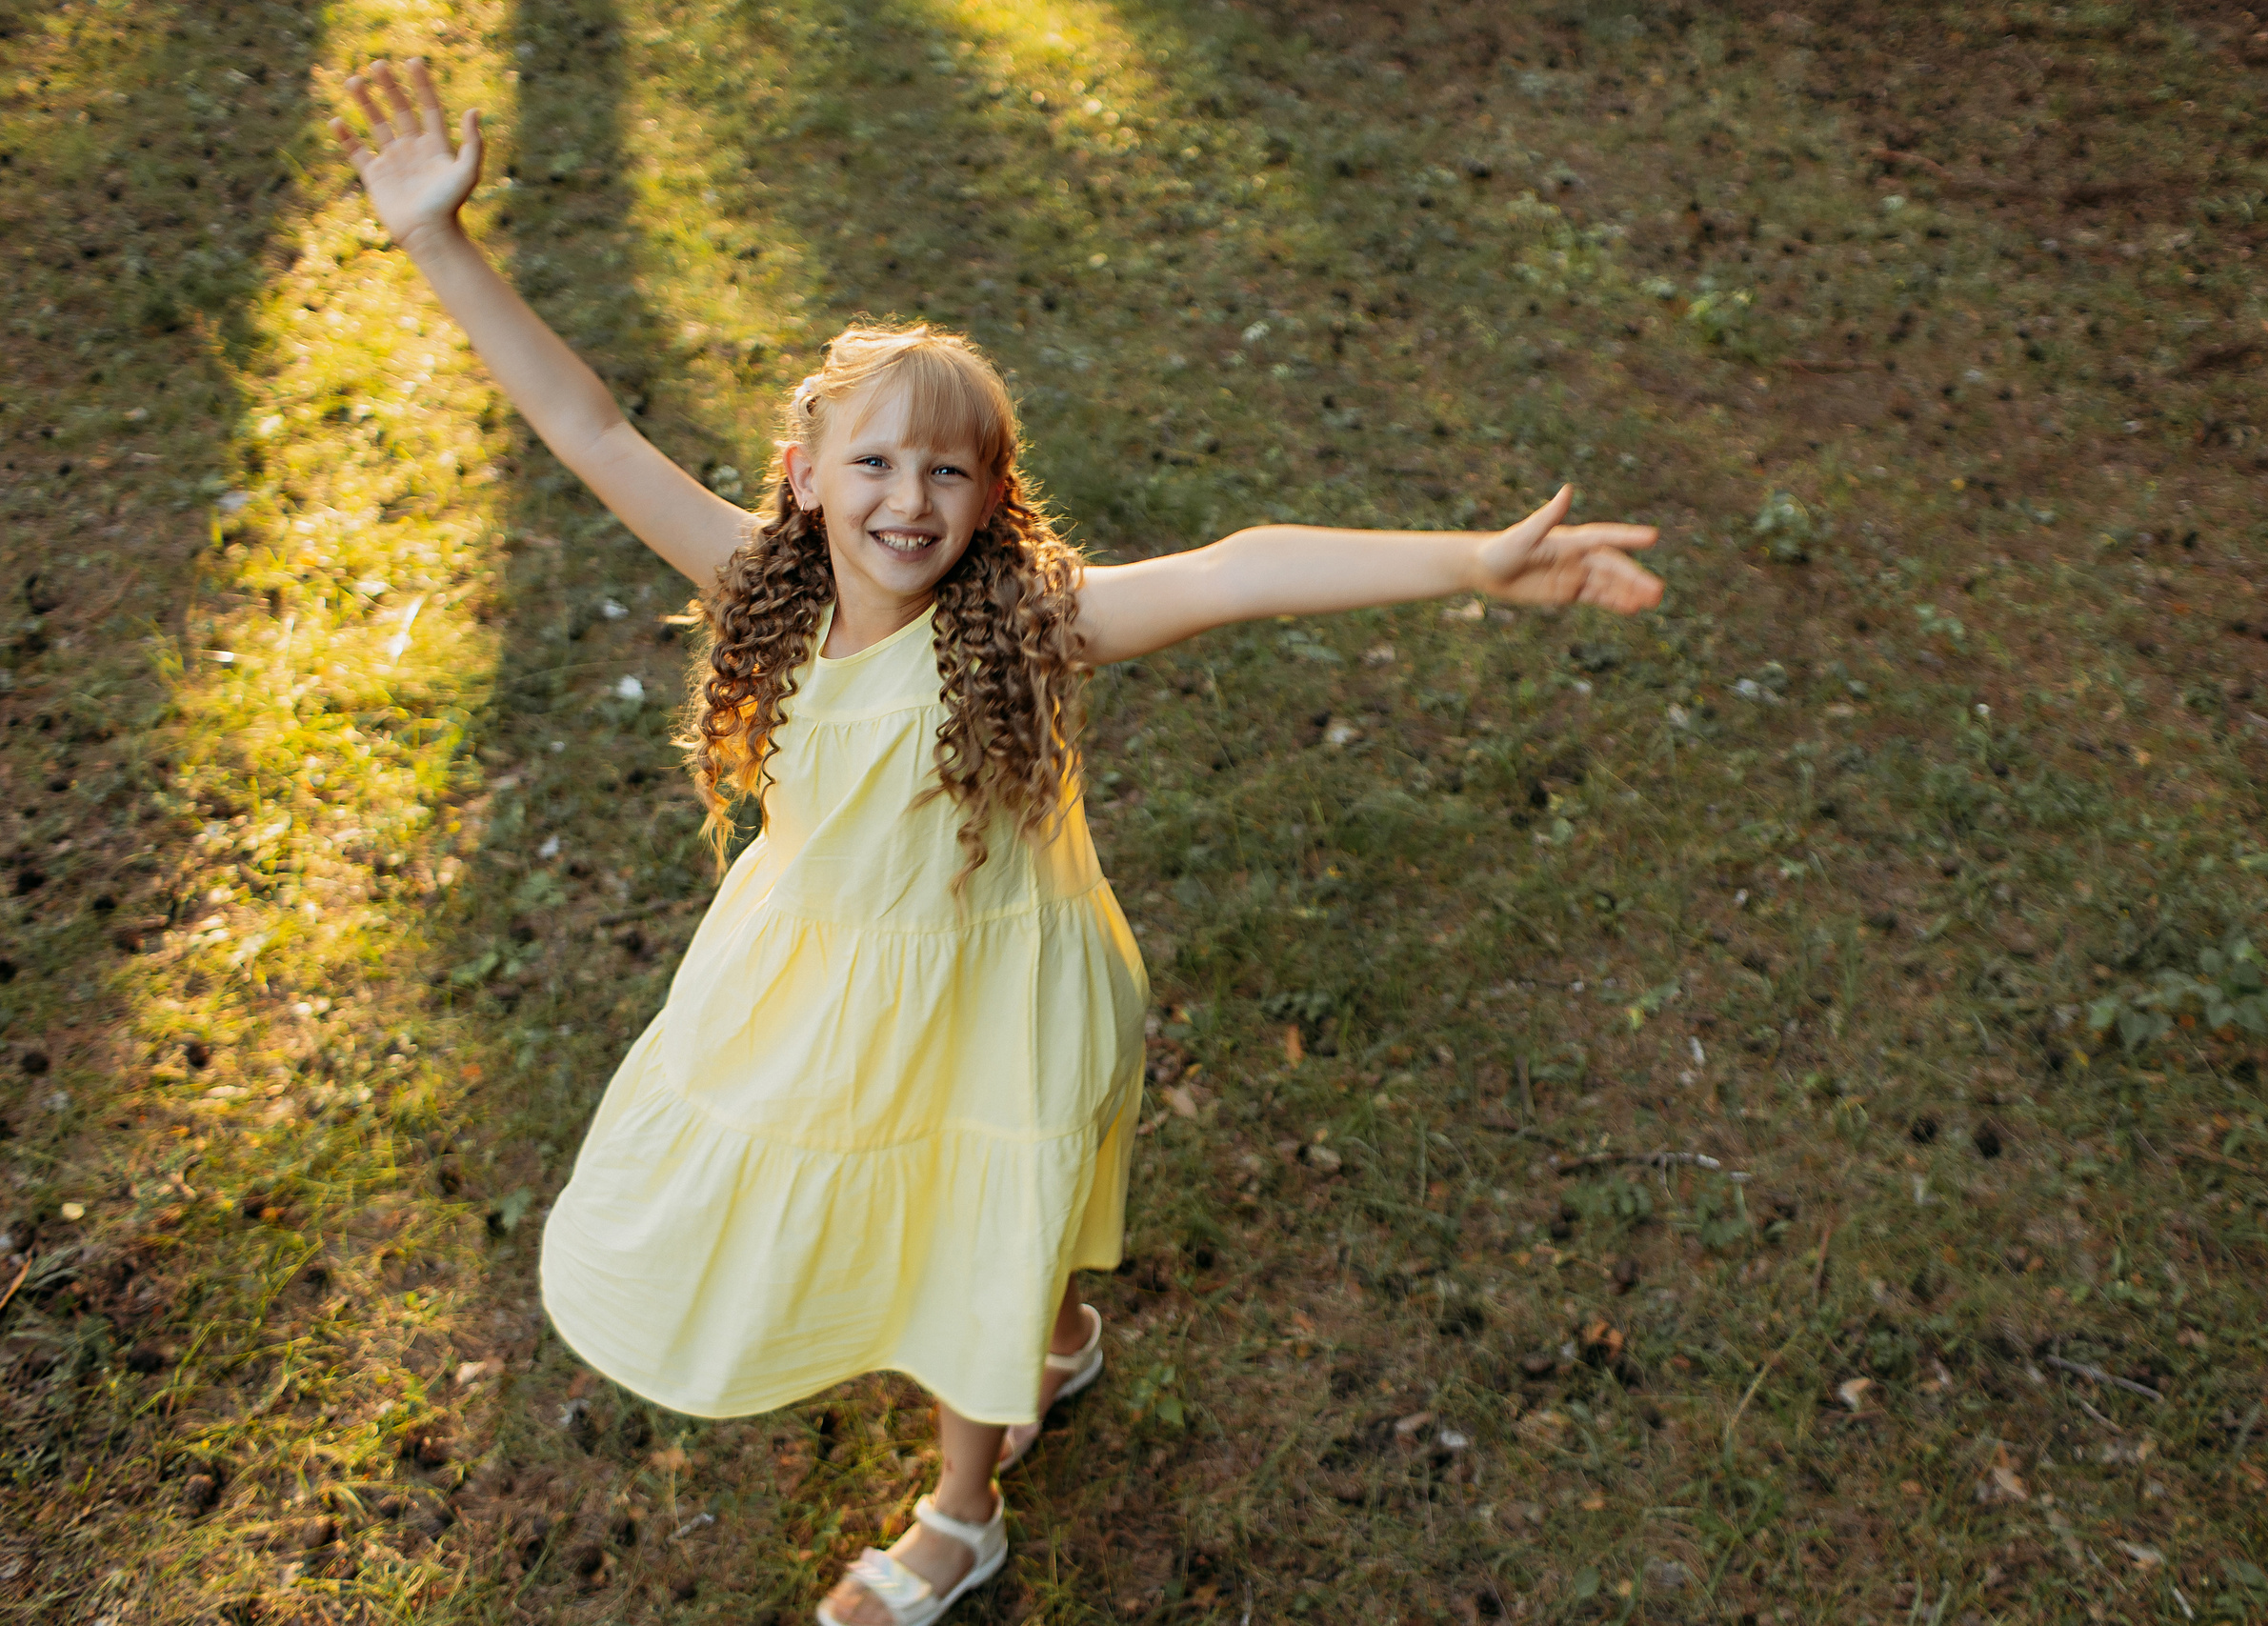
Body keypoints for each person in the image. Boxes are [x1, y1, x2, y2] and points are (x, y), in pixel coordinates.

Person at [331, 57, 1665, 1626]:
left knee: (979, 1215)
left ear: (991, 495)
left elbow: (1239, 567)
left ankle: (963, 1517)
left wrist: (1468, 566)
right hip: (820, 975)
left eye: (947, 468)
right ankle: (1048, 1342)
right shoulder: (758, 588)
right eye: (875, 462)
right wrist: (437, 239)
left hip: (1006, 993)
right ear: (804, 475)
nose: (908, 498)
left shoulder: (1035, 629)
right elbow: (588, 421)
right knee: (925, 1208)